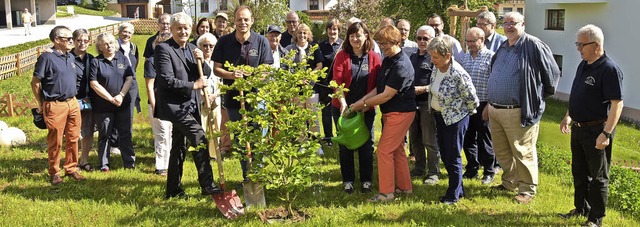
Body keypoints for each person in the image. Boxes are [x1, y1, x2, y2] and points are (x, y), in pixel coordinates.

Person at [485, 12, 560, 204]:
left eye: (513, 23)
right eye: (506, 23)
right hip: (495, 108)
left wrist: (536, 97)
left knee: (522, 151)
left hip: (518, 109)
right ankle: (510, 182)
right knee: (502, 151)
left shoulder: (533, 45)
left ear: (523, 24)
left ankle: (527, 189)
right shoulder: (504, 45)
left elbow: (552, 74)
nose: (508, 26)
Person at [559, 24, 624, 227]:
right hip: (578, 129)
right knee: (579, 172)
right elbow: (579, 94)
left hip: (597, 130)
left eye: (582, 44)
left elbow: (617, 104)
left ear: (596, 45)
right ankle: (581, 209)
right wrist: (568, 116)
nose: (578, 48)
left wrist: (606, 133)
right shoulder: (584, 64)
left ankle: (595, 219)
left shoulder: (609, 69)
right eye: (577, 43)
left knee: (598, 177)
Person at [154, 12, 222, 198]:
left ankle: (173, 190)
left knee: (179, 146)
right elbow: (167, 81)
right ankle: (208, 185)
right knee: (199, 138)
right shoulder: (163, 49)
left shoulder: (192, 49)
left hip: (190, 106)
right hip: (175, 106)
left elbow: (205, 73)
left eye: (186, 28)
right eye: (179, 28)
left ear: (190, 29)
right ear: (173, 29)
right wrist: (194, 85)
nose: (183, 31)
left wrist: (201, 59)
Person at [349, 25, 415, 202]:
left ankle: (386, 193)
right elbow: (379, 88)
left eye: (386, 43)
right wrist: (363, 101)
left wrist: (362, 104)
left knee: (384, 151)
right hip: (392, 112)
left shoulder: (401, 65)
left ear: (396, 41)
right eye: (381, 43)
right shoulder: (388, 60)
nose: (383, 46)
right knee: (398, 150)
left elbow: (386, 95)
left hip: (401, 112)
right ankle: (405, 188)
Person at [212, 5, 273, 181]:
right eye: (239, 19)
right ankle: (247, 176)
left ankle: (258, 174)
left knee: (258, 137)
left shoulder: (261, 41)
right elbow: (216, 69)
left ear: (252, 21)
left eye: (246, 19)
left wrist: (254, 76)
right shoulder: (224, 42)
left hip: (256, 98)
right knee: (240, 140)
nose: (242, 22)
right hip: (233, 99)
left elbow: (267, 68)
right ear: (234, 21)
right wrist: (231, 75)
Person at [31, 25, 86, 185]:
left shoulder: (70, 56)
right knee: (56, 141)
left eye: (72, 38)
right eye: (68, 39)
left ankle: (71, 168)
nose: (71, 41)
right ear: (56, 40)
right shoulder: (46, 58)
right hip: (54, 104)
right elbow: (35, 83)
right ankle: (54, 171)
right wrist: (40, 104)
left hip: (72, 102)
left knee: (74, 137)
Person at [428, 36, 479, 204]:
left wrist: (463, 115)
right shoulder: (437, 68)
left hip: (455, 120)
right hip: (440, 117)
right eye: (431, 56)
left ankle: (453, 195)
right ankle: (459, 189)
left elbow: (472, 98)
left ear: (447, 56)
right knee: (445, 154)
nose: (432, 60)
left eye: (435, 57)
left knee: (452, 156)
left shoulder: (458, 73)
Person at [331, 21, 381, 194]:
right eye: (351, 36)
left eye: (358, 35)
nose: (355, 39)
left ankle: (366, 180)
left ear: (366, 36)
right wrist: (344, 104)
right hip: (343, 108)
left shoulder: (374, 57)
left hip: (366, 107)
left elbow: (378, 85)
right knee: (345, 144)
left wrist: (366, 104)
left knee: (366, 144)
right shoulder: (342, 56)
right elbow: (336, 83)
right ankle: (348, 180)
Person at [89, 33, 136, 172]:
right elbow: (93, 83)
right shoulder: (96, 62)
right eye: (105, 44)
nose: (109, 46)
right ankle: (104, 164)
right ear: (100, 47)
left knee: (125, 133)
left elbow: (129, 78)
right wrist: (110, 98)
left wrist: (121, 95)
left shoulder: (122, 58)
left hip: (123, 103)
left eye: (111, 42)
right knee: (105, 134)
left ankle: (129, 162)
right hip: (103, 105)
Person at [461, 27, 496, 184]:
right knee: (467, 139)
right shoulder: (465, 58)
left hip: (484, 104)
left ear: (482, 40)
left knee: (485, 139)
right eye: (467, 41)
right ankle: (472, 168)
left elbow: (495, 84)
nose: (470, 44)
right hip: (467, 105)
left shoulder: (491, 57)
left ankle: (489, 170)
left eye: (473, 41)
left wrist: (489, 105)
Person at [408, 25, 440, 185]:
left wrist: (424, 89)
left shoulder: (435, 58)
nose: (421, 41)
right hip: (412, 105)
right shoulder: (412, 58)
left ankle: (433, 172)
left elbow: (439, 83)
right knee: (415, 139)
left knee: (429, 139)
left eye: (425, 38)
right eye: (419, 38)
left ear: (432, 39)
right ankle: (419, 168)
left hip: (428, 104)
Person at [285, 23, 325, 154]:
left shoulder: (314, 48)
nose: (302, 35)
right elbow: (287, 68)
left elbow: (319, 66)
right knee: (300, 117)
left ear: (308, 35)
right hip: (297, 88)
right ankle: (302, 143)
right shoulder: (290, 49)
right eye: (300, 33)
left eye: (304, 33)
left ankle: (316, 144)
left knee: (312, 116)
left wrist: (308, 76)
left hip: (311, 87)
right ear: (296, 35)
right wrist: (298, 79)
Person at [144, 32, 173, 176]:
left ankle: (170, 163)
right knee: (162, 134)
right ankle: (161, 166)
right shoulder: (151, 61)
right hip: (158, 102)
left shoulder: (172, 60)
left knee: (170, 133)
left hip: (172, 102)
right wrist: (155, 105)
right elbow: (149, 86)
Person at [111, 22, 141, 156]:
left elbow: (136, 64)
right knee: (116, 112)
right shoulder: (114, 46)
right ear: (119, 32)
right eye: (124, 31)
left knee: (129, 114)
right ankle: (114, 143)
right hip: (118, 83)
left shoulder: (134, 47)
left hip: (132, 83)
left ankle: (126, 142)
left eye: (129, 32)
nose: (126, 34)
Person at [72, 28, 96, 172]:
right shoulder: (67, 58)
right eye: (79, 40)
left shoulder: (91, 59)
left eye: (85, 41)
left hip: (87, 100)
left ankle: (84, 159)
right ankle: (72, 161)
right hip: (71, 100)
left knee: (87, 132)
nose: (82, 43)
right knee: (73, 133)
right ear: (73, 41)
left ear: (89, 42)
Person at [197, 33, 222, 159]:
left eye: (211, 46)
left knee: (216, 127)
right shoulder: (197, 63)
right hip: (201, 100)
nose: (208, 48)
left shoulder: (218, 62)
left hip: (215, 99)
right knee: (202, 127)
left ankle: (214, 153)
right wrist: (203, 96)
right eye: (204, 45)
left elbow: (222, 84)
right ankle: (201, 153)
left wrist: (213, 96)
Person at [318, 19, 343, 142]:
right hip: (325, 85)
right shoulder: (321, 46)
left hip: (339, 85)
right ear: (327, 30)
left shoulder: (344, 45)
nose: (332, 31)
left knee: (339, 111)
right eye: (330, 28)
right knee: (326, 113)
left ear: (339, 30)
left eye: (335, 29)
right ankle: (328, 138)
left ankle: (341, 136)